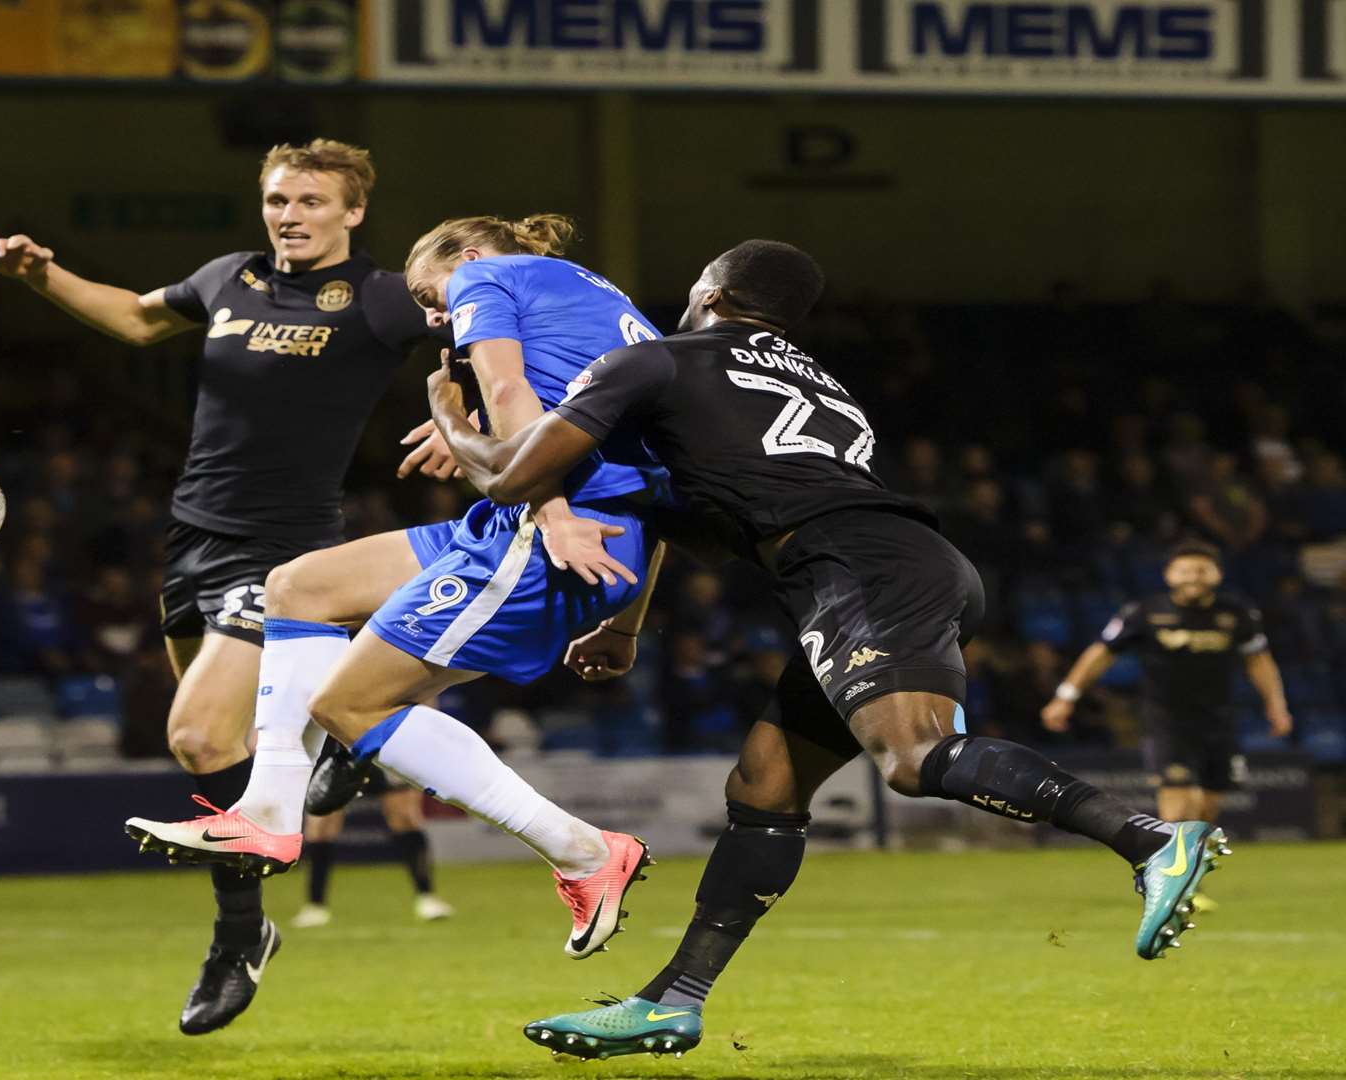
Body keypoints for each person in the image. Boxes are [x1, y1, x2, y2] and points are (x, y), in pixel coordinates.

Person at [418, 239, 1229, 1059]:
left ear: (711, 289)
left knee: (913, 760)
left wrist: (453, 415)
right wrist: (627, 626)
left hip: (856, 569)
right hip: (898, 561)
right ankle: (674, 999)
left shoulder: (655, 360)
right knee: (766, 781)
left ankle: (1149, 838)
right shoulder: (812, 379)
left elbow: (518, 476)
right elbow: (681, 512)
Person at [0, 139, 445, 1035]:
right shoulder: (229, 277)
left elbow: (483, 336)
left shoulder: (383, 298)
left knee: (193, 736)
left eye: (311, 200)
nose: (290, 214)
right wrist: (44, 276)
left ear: (352, 213)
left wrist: (459, 413)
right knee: (221, 757)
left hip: (286, 553)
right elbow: (137, 319)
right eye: (277, 199)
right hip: (191, 542)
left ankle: (327, 775)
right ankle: (259, 905)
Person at [126, 213, 666, 964]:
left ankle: (581, 852)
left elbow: (508, 391)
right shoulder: (604, 304)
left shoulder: (489, 274)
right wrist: (626, 622)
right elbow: (664, 486)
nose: (437, 319)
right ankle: (267, 813)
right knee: (298, 586)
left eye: (432, 296)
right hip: (539, 523)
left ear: (471, 257)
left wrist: (541, 502)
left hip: (548, 530)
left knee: (349, 704)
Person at [1041, 540, 1293, 832]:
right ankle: (1169, 866)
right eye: (1184, 570)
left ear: (1218, 575)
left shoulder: (1237, 613)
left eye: (1202, 570)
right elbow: (1100, 653)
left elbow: (1259, 661)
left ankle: (1188, 864)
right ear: (1168, 575)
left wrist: (1276, 705)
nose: (1193, 577)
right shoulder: (1144, 612)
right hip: (1166, 717)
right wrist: (1066, 696)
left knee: (1207, 805)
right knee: (1178, 796)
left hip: (1219, 718)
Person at [290, 745, 453, 927]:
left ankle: (427, 897)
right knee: (321, 826)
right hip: (335, 743)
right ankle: (315, 905)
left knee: (405, 816)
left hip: (379, 739)